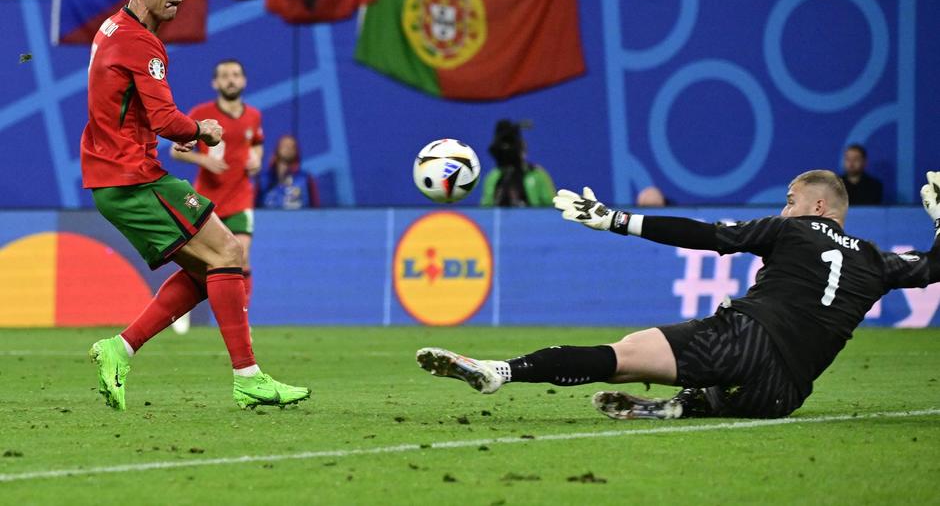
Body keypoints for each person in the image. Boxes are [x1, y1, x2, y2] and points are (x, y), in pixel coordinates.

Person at [418, 170, 940, 419]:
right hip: (784, 393)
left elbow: (705, 235)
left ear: (819, 208)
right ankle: (682, 407)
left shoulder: (791, 231)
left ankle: (500, 371)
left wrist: (618, 220)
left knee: (622, 356)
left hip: (746, 338)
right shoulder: (876, 260)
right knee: (725, 391)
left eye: (790, 200)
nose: (784, 210)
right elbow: (933, 267)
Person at [82, 0, 309, 411]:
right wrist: (201, 130)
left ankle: (120, 349)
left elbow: (128, 106)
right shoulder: (140, 41)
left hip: (118, 174)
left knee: (210, 269)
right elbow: (166, 119)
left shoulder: (112, 27)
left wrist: (159, 130)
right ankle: (248, 378)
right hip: (131, 177)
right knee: (228, 252)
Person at [171, 59, 264, 334]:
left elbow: (256, 143)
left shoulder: (253, 116)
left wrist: (257, 159)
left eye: (236, 74)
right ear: (215, 83)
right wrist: (203, 160)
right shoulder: (202, 113)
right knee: (201, 264)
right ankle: (181, 309)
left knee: (242, 256)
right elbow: (176, 151)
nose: (231, 80)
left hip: (240, 198)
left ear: (244, 81)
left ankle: (240, 320)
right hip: (207, 199)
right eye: (225, 76)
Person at [480, 120, 556, 207]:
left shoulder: (537, 175)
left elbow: (552, 210)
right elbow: (486, 211)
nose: (507, 152)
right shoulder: (493, 178)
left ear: (522, 148)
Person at [256, 135, 320, 209]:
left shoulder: (306, 179)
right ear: (277, 149)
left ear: (296, 151)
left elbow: (316, 208)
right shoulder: (262, 180)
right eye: (285, 145)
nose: (288, 148)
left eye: (291, 146)